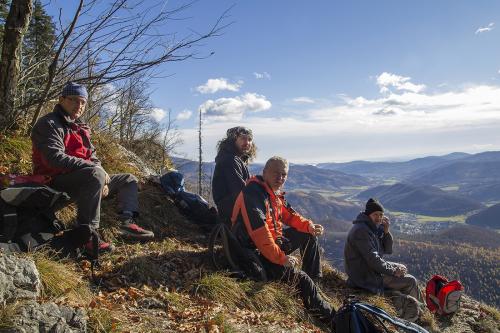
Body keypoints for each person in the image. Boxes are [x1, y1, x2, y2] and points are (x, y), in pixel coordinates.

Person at [31, 82, 154, 252]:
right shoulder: (49, 124)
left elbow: (93, 157)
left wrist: (101, 177)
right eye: (74, 100)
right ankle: (86, 235)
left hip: (87, 179)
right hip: (54, 182)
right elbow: (54, 158)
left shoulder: (81, 128)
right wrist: (97, 173)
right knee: (95, 173)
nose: (79, 105)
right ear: (61, 99)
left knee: (128, 179)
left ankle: (126, 222)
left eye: (83, 102)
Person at [231, 156, 334, 324]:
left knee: (308, 235)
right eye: (276, 173)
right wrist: (282, 259)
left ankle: (315, 283)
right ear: (265, 172)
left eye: (283, 174)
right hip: (254, 253)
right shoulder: (253, 193)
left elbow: (290, 216)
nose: (280, 178)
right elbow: (260, 234)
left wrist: (309, 226)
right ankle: (331, 319)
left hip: (271, 245)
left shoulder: (273, 193)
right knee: (302, 280)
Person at [344, 198, 421, 301]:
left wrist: (386, 232)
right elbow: (373, 259)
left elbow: (387, 250)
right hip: (364, 276)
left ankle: (410, 302)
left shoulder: (371, 228)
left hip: (368, 269)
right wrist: (393, 271)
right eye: (375, 214)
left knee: (402, 268)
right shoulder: (361, 231)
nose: (379, 218)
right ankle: (419, 311)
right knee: (411, 281)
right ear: (368, 215)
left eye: (381, 215)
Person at [212, 126, 255, 222]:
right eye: (243, 138)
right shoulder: (230, 159)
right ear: (233, 140)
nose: (247, 143)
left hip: (230, 206)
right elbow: (239, 190)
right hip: (230, 208)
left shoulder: (234, 158)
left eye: (250, 139)